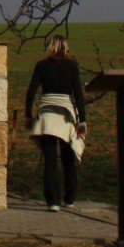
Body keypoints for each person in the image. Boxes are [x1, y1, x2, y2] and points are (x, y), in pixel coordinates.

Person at [23, 35, 87, 211]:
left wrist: (28, 115)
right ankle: (70, 198)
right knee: (68, 158)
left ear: (50, 47)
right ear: (66, 48)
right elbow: (79, 95)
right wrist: (83, 120)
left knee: (50, 161)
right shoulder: (72, 66)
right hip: (66, 117)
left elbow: (31, 92)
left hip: (46, 117)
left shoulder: (41, 66)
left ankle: (52, 202)